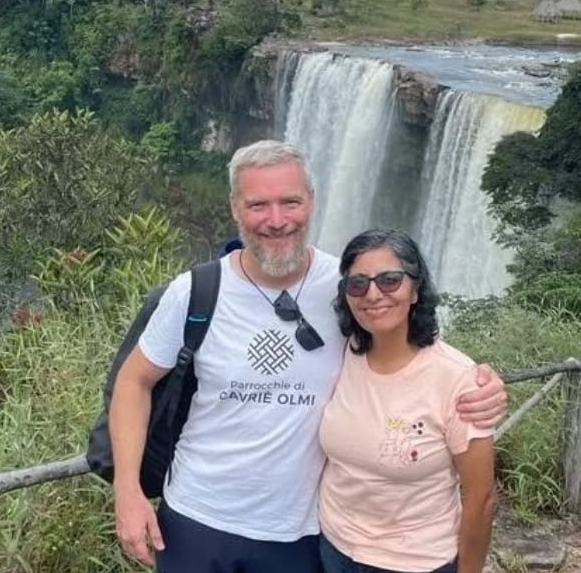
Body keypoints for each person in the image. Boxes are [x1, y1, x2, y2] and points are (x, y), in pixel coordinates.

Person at [109, 140, 508, 573]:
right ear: (235, 208)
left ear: (312, 202)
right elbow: (135, 381)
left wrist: (480, 382)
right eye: (259, 204)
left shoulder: (350, 287)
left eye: (290, 202)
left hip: (300, 531)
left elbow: (413, 353)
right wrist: (127, 491)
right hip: (196, 517)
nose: (277, 220)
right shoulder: (195, 291)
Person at [319, 229, 494, 573]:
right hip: (333, 547)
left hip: (414, 562)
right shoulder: (341, 354)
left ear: (415, 289)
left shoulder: (457, 378)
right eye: (358, 284)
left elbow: (482, 499)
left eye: (389, 280)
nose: (373, 294)